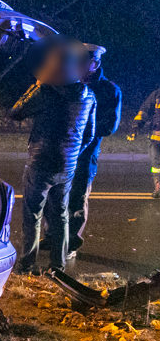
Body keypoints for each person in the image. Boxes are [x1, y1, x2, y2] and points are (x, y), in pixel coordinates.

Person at [11, 41, 96, 274]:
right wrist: (71, 154)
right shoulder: (88, 95)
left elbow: (16, 112)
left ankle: (27, 264)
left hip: (40, 163)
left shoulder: (46, 91)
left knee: (33, 215)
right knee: (60, 216)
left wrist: (37, 84)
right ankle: (57, 266)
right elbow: (89, 134)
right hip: (66, 166)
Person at [54, 44, 122, 257]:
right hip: (62, 151)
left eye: (84, 62)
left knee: (76, 199)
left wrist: (83, 130)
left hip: (86, 154)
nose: (79, 66)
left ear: (95, 63)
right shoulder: (68, 84)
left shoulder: (109, 90)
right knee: (55, 197)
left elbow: (110, 125)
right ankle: (53, 238)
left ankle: (71, 243)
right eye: (78, 62)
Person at [132, 86, 160, 197]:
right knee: (156, 166)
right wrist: (136, 126)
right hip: (156, 139)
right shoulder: (157, 94)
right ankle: (158, 186)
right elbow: (144, 111)